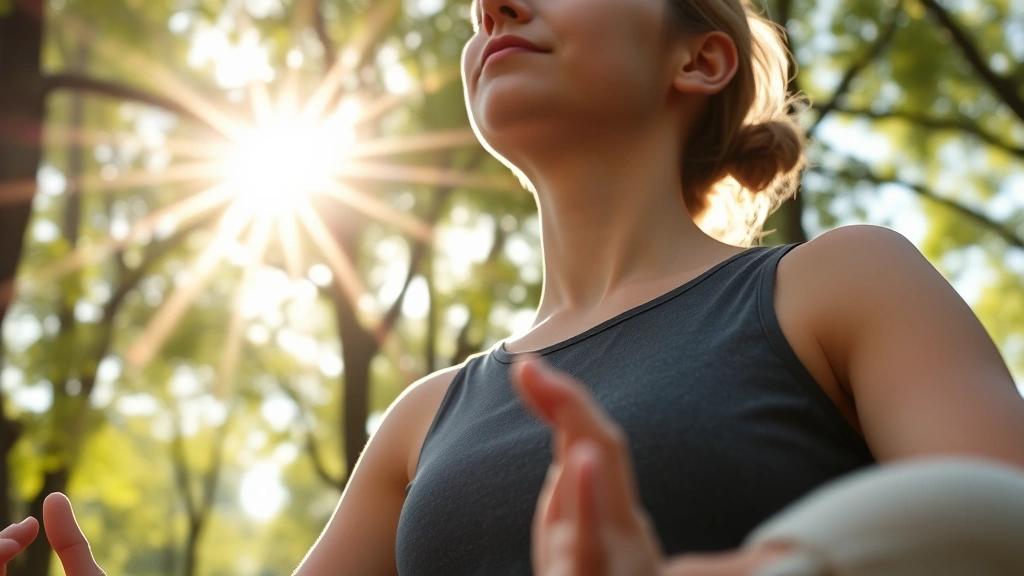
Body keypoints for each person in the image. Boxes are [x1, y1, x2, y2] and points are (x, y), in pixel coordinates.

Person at [4, 0, 1024, 573]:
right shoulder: (420, 419)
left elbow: (1002, 523)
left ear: (701, 58)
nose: (490, 3)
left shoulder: (840, 283)